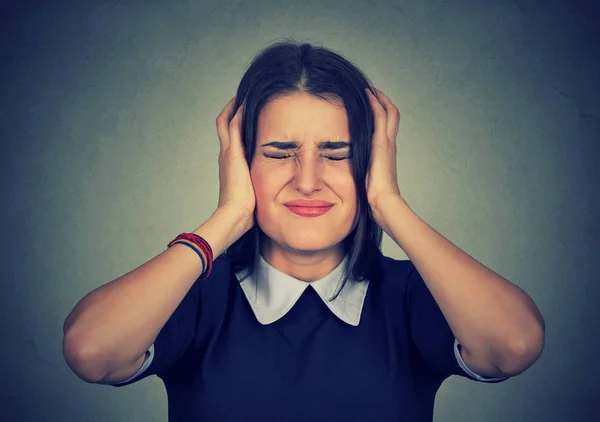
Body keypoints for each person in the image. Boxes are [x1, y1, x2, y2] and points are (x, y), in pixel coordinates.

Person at [63, 39, 545, 421]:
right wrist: (227, 218)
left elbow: (515, 345)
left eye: (337, 154)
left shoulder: (412, 296)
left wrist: (387, 203)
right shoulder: (195, 295)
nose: (308, 180)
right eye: (278, 152)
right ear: (241, 162)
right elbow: (91, 351)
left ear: (371, 163)